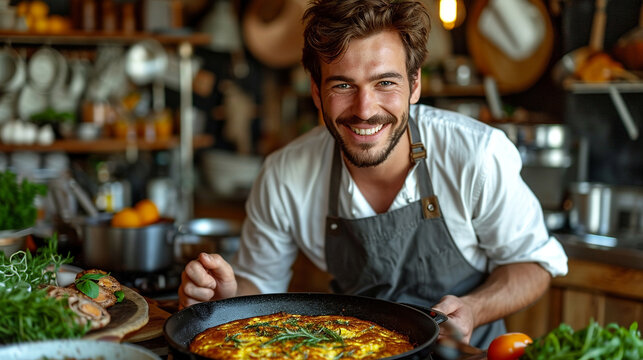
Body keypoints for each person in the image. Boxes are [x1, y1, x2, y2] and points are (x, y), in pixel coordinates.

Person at [179, 0, 568, 348]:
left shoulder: (477, 154)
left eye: (385, 83)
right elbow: (260, 290)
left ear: (414, 85)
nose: (365, 109)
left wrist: (474, 308)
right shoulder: (285, 174)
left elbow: (533, 263)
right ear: (316, 92)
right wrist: (224, 297)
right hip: (351, 349)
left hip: (467, 352)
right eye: (343, 85)